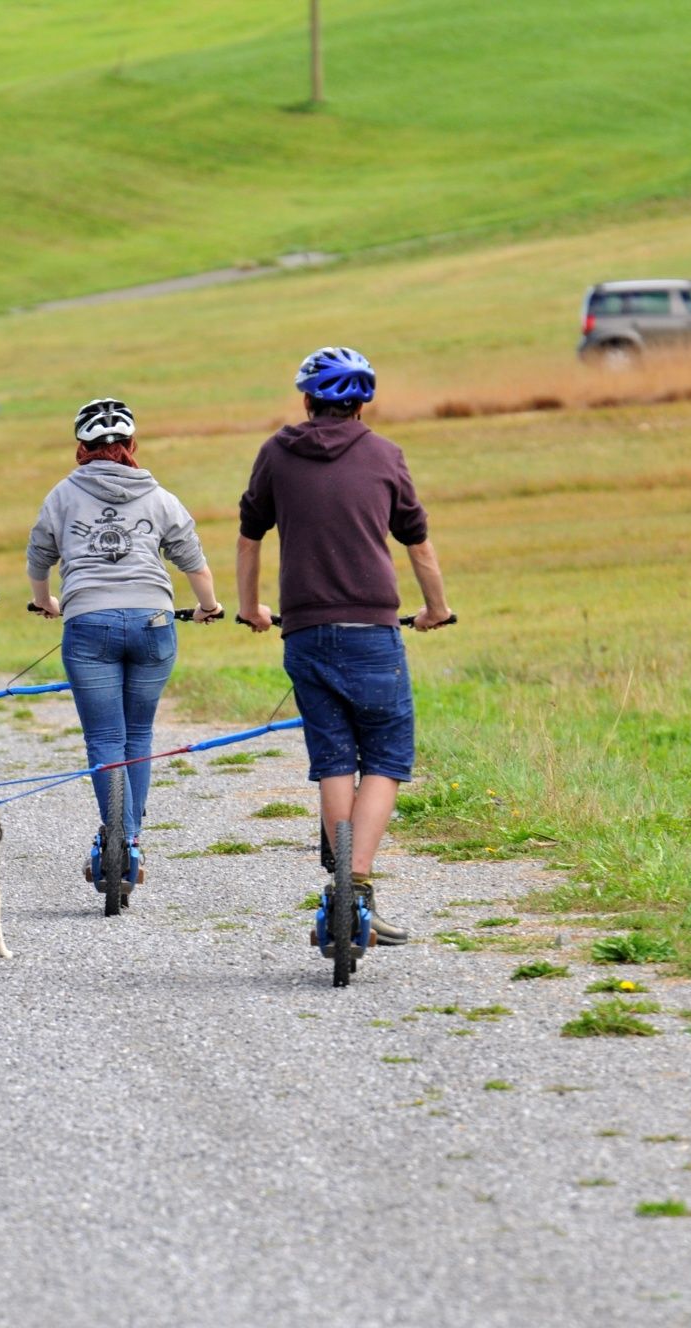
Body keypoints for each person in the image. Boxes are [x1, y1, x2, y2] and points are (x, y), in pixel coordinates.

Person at [235, 347, 453, 944]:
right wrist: (436, 609)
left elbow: (250, 537)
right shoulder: (385, 454)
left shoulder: (277, 453)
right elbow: (419, 544)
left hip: (304, 629)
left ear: (307, 400)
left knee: (333, 758)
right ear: (361, 404)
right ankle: (354, 887)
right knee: (384, 757)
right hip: (372, 631)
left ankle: (342, 899)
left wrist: (251, 606)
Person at [29, 398, 222, 888]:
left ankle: (114, 834)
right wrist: (209, 606)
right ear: (132, 447)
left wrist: (46, 600)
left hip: (88, 623)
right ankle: (130, 840)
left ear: (81, 449)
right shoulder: (158, 495)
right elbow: (192, 558)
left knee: (104, 740)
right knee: (138, 736)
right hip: (154, 622)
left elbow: (38, 556)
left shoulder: (61, 495)